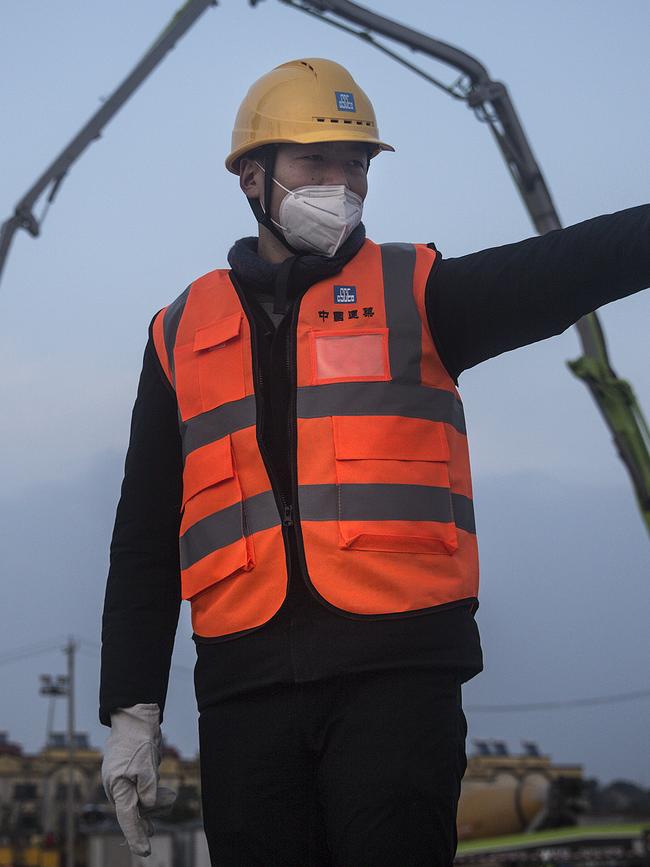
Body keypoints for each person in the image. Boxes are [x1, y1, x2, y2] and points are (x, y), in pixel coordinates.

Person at [100, 58, 649, 866]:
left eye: (357, 164)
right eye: (316, 161)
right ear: (253, 177)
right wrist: (131, 711)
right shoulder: (179, 333)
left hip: (397, 680)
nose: (343, 183)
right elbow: (144, 535)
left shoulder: (420, 293)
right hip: (245, 694)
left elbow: (569, 267)